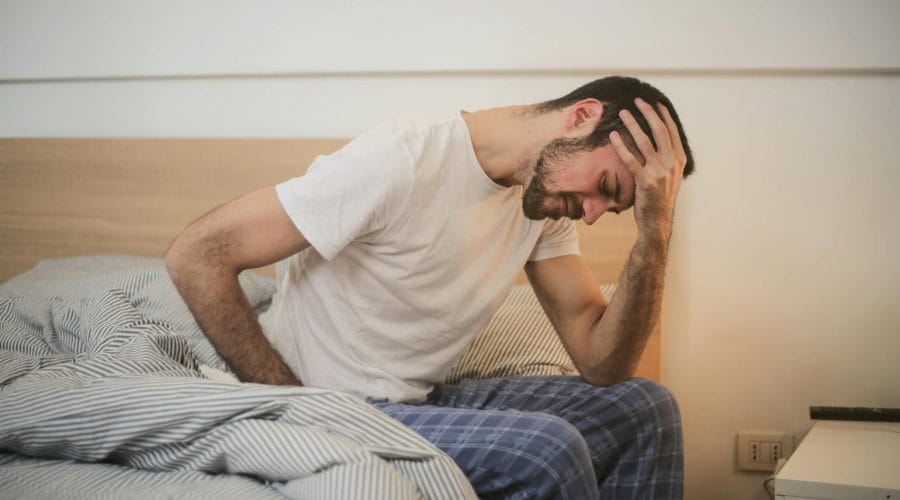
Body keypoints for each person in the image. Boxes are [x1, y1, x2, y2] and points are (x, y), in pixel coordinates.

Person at [166, 75, 695, 499]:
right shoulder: (401, 159)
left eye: (616, 207)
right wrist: (293, 405)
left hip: (417, 400)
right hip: (333, 403)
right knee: (545, 450)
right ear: (581, 116)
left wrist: (656, 229)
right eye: (605, 188)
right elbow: (198, 254)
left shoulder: (544, 204)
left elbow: (603, 364)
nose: (595, 213)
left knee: (643, 407)